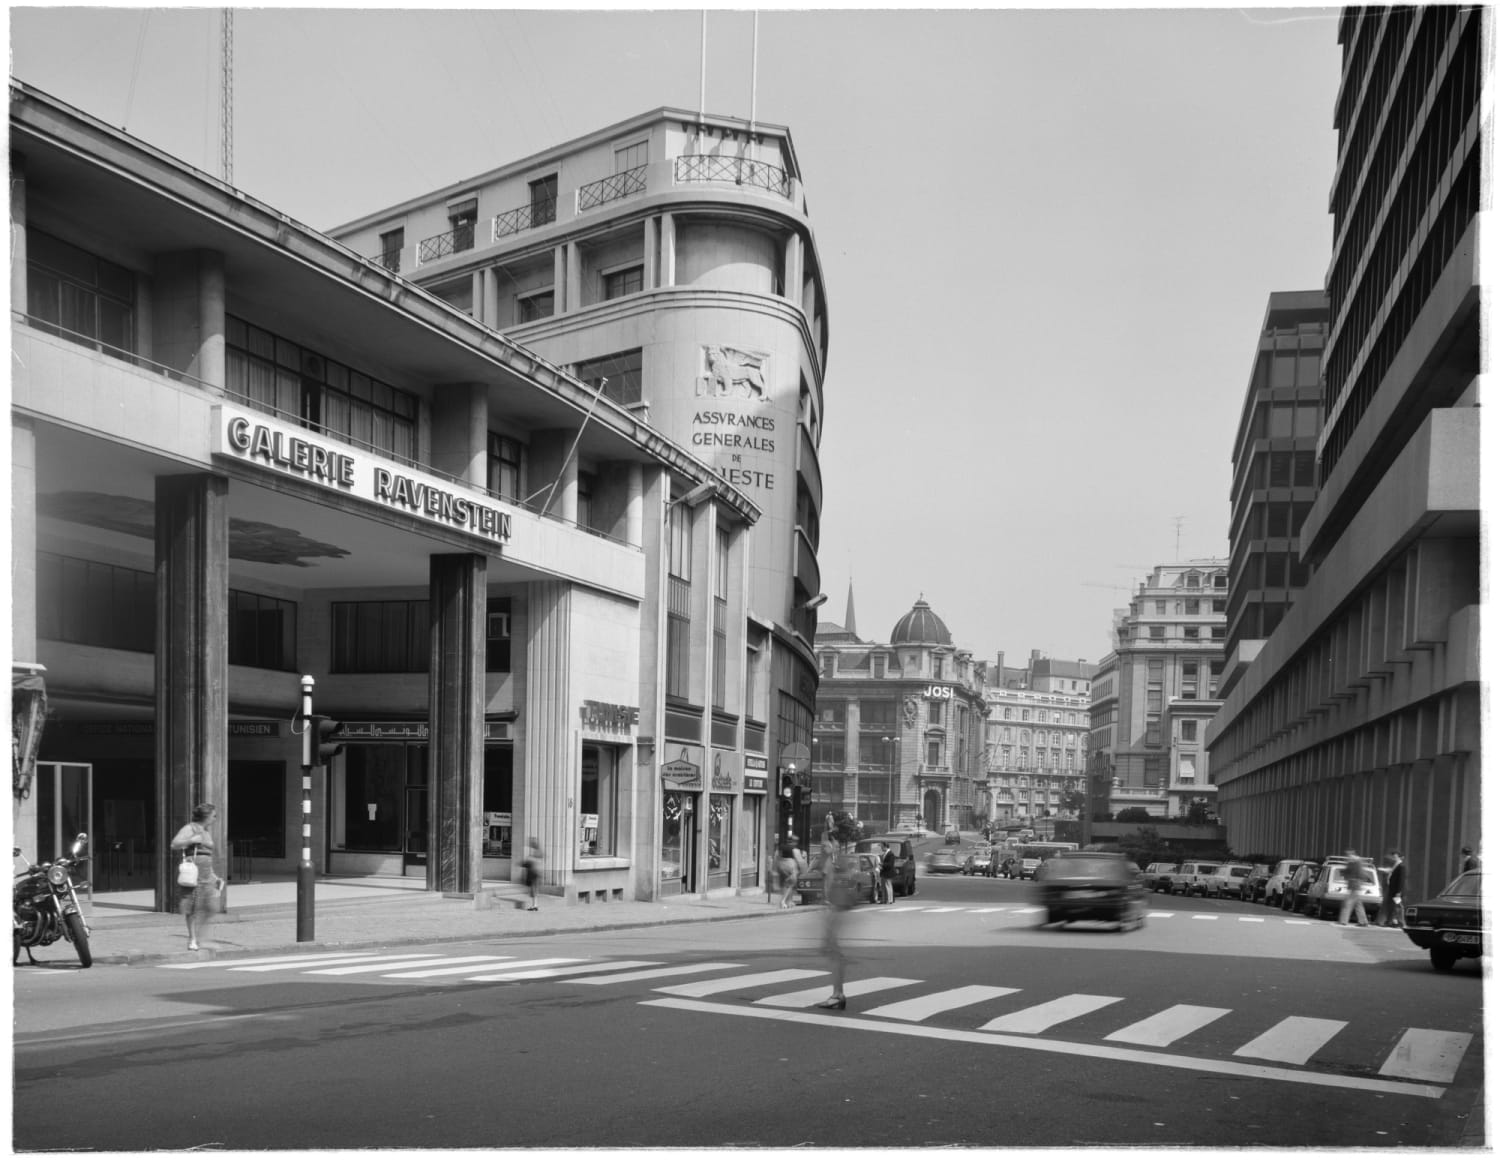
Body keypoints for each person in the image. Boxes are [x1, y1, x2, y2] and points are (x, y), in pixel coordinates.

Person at [170, 802, 223, 952]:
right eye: (213, 816)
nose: (215, 818)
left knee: (212, 907)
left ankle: (202, 938)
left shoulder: (205, 831)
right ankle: (193, 939)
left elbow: (207, 854)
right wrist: (190, 840)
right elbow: (174, 844)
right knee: (192, 907)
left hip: (206, 873)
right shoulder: (190, 828)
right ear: (206, 816)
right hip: (194, 874)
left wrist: (214, 876)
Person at [815, 848, 855, 1010]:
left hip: (835, 914)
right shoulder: (841, 871)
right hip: (838, 913)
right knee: (835, 955)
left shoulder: (830, 868)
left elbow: (830, 894)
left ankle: (837, 995)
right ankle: (838, 993)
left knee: (834, 955)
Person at [1338, 848, 1370, 926]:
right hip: (1356, 884)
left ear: (1352, 855)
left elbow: (1351, 872)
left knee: (1348, 903)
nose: (1347, 857)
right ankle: (1363, 921)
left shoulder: (1355, 862)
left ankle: (1344, 920)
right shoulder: (1356, 862)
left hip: (1354, 884)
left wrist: (1344, 871)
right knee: (1358, 904)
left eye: (1348, 855)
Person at [1377, 850, 1405, 928]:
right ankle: (1390, 921)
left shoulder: (1401, 866)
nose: (1393, 857)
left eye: (1395, 856)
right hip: (1392, 889)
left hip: (1396, 891)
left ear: (1399, 857)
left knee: (1397, 906)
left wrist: (1399, 892)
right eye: (1393, 856)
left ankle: (1399, 922)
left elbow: (1401, 880)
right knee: (1392, 906)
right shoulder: (1395, 865)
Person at [776, 835, 801, 909]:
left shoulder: (781, 847)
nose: (796, 843)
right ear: (794, 842)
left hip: (781, 865)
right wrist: (800, 868)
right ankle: (783, 901)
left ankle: (789, 902)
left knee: (785, 884)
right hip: (790, 866)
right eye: (796, 841)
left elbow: (777, 856)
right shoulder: (794, 849)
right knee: (790, 884)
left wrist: (775, 867)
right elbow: (798, 859)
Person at [522, 837, 543, 911]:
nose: (530, 845)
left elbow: (534, 861)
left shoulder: (537, 852)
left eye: (532, 843)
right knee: (534, 889)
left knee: (533, 889)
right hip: (536, 872)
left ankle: (534, 906)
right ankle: (535, 905)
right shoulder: (537, 851)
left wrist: (529, 859)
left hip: (534, 873)